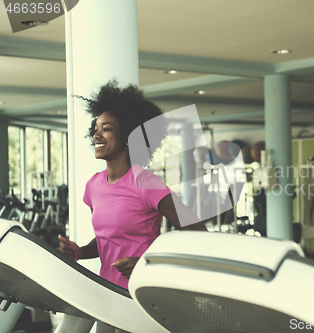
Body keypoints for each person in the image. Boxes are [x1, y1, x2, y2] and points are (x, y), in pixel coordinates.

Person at [58, 80, 207, 292]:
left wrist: (148, 262)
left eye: (106, 129)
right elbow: (108, 241)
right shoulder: (93, 186)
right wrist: (80, 252)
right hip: (107, 290)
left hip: (143, 291)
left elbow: (199, 233)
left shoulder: (146, 184)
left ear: (129, 137)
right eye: (95, 129)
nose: (96, 135)